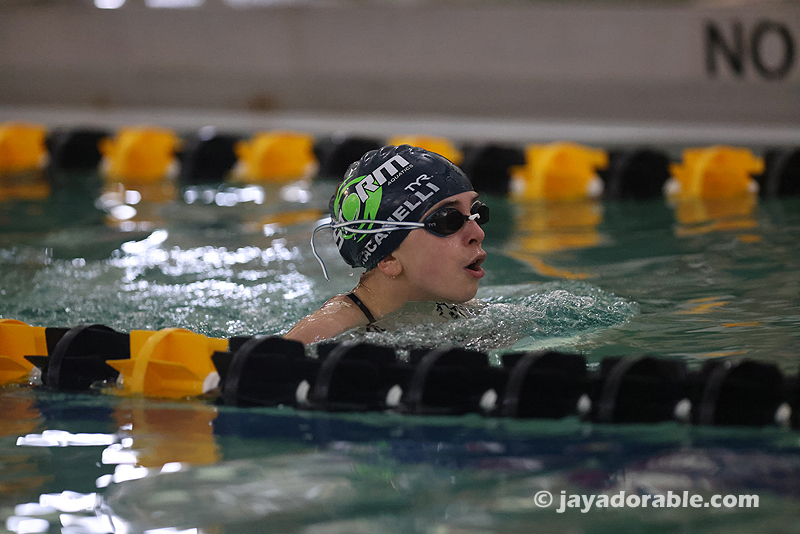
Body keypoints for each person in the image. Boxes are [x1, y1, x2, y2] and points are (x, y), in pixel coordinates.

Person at [285, 144, 490, 344]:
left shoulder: (465, 314)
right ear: (388, 257)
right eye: (448, 219)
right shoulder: (325, 334)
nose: (478, 233)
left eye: (476, 212)